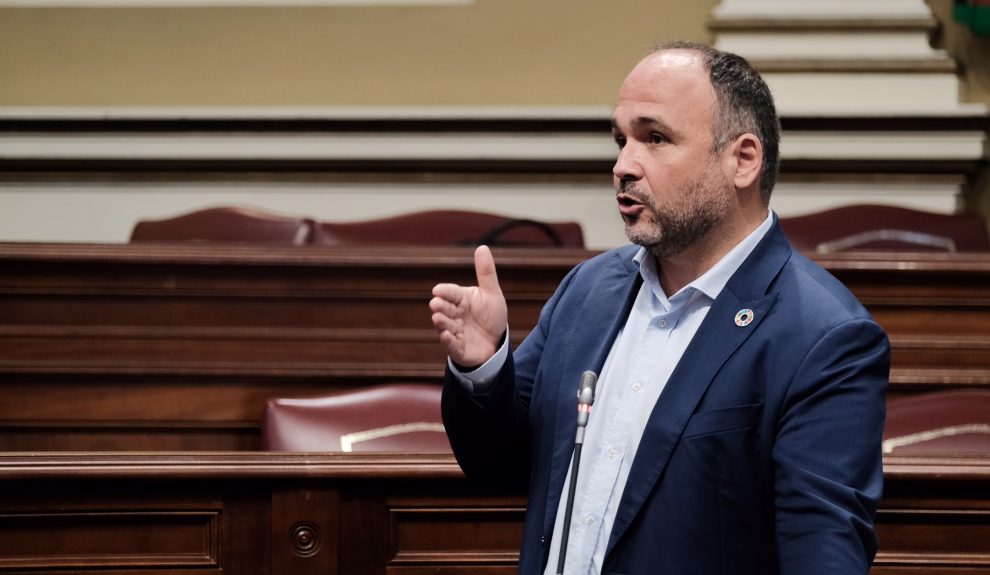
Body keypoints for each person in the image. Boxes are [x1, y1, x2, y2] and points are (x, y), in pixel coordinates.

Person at [429, 41, 889, 575]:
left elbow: (822, 556)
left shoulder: (825, 337)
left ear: (743, 159)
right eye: (621, 140)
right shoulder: (589, 289)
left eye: (655, 138)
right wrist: (483, 368)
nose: (624, 165)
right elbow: (500, 466)